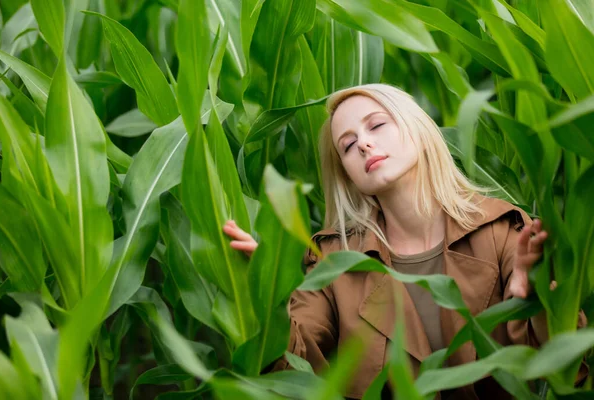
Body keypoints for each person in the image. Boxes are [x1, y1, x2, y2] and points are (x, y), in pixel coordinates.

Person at [222, 84, 569, 399]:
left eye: (376, 125)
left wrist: (537, 300)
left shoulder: (502, 229)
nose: (363, 143)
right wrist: (266, 295)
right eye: (347, 144)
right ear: (347, 174)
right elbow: (294, 370)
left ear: (416, 129)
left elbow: (560, 363)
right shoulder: (333, 261)